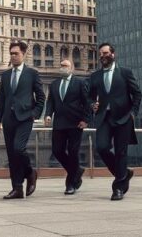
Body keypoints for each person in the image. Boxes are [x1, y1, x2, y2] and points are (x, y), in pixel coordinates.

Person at [88, 42, 142, 201]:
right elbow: (89, 96)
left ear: (113, 54)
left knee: (121, 152)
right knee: (102, 147)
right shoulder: (95, 76)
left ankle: (118, 188)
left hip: (123, 118)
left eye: (105, 53)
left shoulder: (125, 72)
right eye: (100, 54)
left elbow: (137, 94)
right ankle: (124, 173)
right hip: (104, 117)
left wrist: (133, 113)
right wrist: (92, 104)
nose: (102, 56)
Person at [0, 41, 45, 199]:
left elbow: (41, 97)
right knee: (12, 155)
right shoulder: (5, 75)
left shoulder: (32, 73)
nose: (13, 56)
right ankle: (17, 188)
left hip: (25, 118)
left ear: (24, 54)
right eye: (11, 53)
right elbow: (1, 98)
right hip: (9, 119)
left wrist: (34, 114)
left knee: (18, 149)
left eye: (16, 53)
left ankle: (30, 172)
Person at [44, 58, 91, 194]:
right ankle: (77, 170)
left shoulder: (80, 83)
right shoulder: (54, 84)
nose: (62, 68)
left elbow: (87, 102)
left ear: (71, 69)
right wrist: (48, 115)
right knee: (57, 150)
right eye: (61, 65)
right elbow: (50, 102)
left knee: (73, 152)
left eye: (65, 66)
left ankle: (70, 184)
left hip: (75, 123)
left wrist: (85, 120)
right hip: (59, 123)